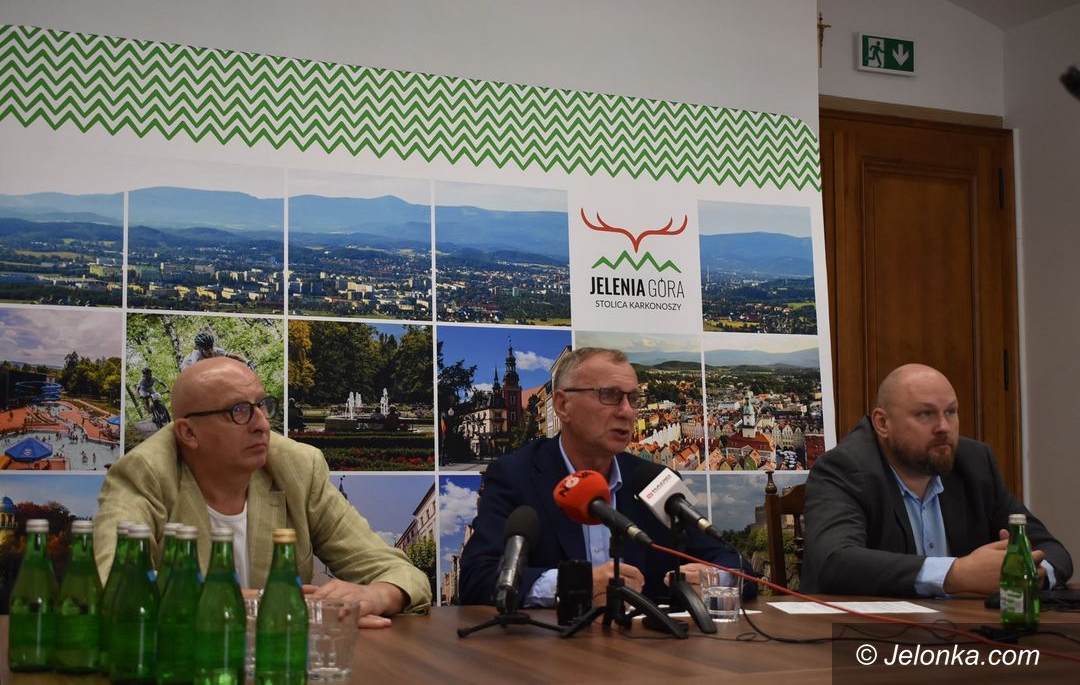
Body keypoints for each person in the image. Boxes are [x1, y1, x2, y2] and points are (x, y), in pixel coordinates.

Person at [94, 357, 431, 626]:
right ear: (188, 433)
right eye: (238, 411)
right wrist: (257, 604)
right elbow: (114, 588)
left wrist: (377, 595)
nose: (262, 424)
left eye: (262, 405)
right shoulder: (143, 473)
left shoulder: (298, 467)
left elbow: (403, 573)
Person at [459, 347, 753, 609]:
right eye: (610, 395)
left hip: (648, 646)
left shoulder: (655, 481)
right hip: (551, 648)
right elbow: (477, 578)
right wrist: (575, 585)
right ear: (563, 405)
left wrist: (715, 579)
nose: (627, 412)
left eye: (633, 398)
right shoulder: (515, 475)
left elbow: (737, 566)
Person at [802, 363, 1073, 596]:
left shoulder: (975, 463)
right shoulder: (844, 468)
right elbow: (834, 561)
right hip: (866, 633)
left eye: (951, 412)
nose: (944, 427)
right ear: (883, 423)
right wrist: (957, 574)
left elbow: (1051, 549)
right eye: (925, 414)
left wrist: (1029, 576)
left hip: (962, 629)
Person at [178, 330, 249, 371]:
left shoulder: (217, 351)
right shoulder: (196, 357)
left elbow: (233, 356)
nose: (210, 350)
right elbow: (196, 372)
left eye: (211, 347)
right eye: (206, 348)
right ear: (200, 349)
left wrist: (247, 361)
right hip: (188, 369)